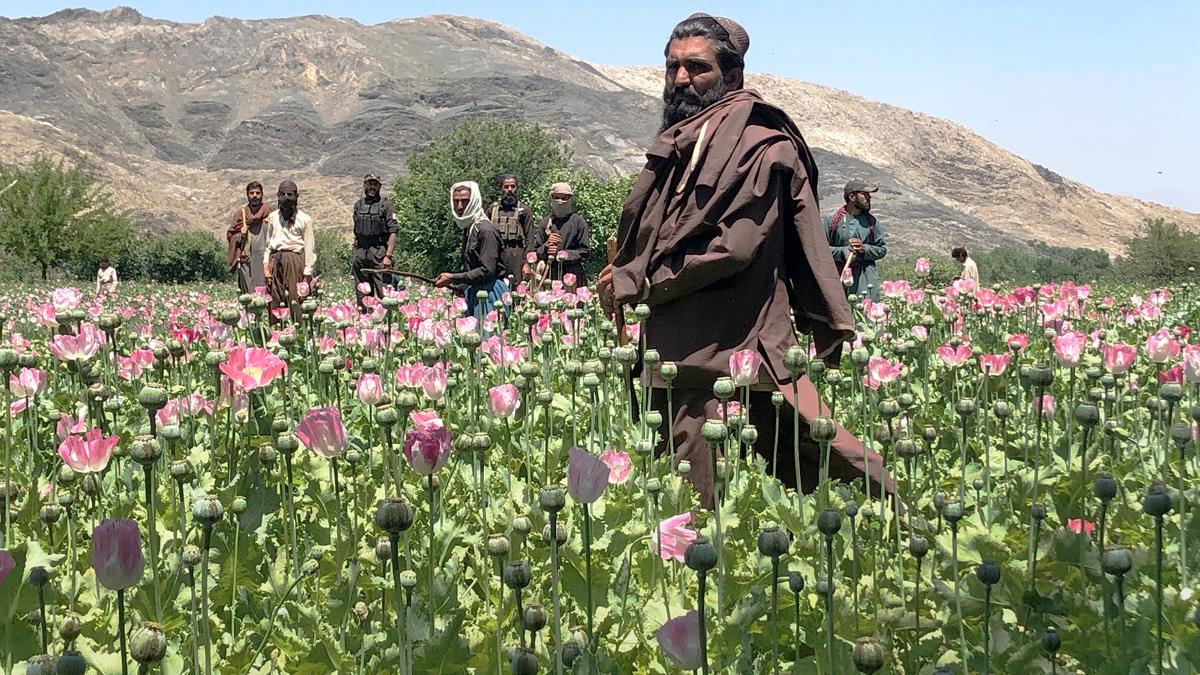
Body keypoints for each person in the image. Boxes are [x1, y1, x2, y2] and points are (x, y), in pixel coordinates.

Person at [597, 12, 893, 508]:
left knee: (780, 464)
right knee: (710, 483)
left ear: (732, 76)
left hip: (731, 340)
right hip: (678, 346)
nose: (680, 79)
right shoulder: (690, 137)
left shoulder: (761, 145)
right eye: (672, 68)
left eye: (697, 68)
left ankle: (896, 525)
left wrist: (645, 283)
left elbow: (732, 249)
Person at [435, 181, 508, 321]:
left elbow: (487, 271)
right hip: (475, 291)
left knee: (489, 339)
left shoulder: (486, 231)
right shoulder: (470, 228)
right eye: (456, 201)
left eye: (465, 201)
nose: (460, 206)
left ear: (474, 201)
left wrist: (453, 278)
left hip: (490, 294)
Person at [262, 180, 315, 322]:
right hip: (275, 259)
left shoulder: (304, 219)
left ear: (296, 197)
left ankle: (299, 332)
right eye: (282, 194)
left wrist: (307, 272)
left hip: (294, 259)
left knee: (295, 298)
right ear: (277, 196)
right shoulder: (273, 217)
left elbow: (310, 247)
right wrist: (266, 264)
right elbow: (268, 244)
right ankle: (275, 332)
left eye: (290, 194)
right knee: (274, 297)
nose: (286, 197)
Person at [827, 179, 887, 301]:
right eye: (865, 194)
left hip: (867, 279)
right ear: (852, 197)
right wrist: (843, 252)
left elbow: (881, 249)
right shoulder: (832, 221)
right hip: (839, 278)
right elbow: (820, 250)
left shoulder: (872, 222)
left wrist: (864, 249)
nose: (869, 198)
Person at [525, 182, 591, 288]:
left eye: (564, 198)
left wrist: (562, 255)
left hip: (571, 276)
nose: (560, 201)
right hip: (548, 276)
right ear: (551, 198)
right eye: (556, 197)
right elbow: (536, 252)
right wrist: (546, 247)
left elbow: (585, 252)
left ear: (570, 199)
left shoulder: (578, 222)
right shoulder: (545, 223)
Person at [351, 173, 399, 310]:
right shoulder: (358, 205)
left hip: (379, 253)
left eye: (375, 184)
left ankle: (389, 323)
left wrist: (388, 256)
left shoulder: (387, 205)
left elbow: (393, 231)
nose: (372, 187)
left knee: (385, 293)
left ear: (379, 186)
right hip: (360, 252)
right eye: (369, 184)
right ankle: (366, 321)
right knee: (363, 295)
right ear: (364, 185)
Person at [485, 174, 534, 284]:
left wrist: (527, 264)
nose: (510, 190)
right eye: (506, 187)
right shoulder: (492, 210)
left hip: (517, 258)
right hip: (496, 257)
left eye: (513, 186)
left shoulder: (525, 211)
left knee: (517, 292)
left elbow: (530, 239)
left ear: (517, 188)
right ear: (501, 189)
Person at [226, 181, 273, 294]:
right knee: (249, 294)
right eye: (252, 193)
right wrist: (240, 235)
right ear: (247, 195)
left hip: (265, 259)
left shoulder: (269, 212)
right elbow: (231, 235)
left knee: (266, 291)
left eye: (257, 193)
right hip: (247, 260)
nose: (255, 196)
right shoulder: (241, 214)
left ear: (262, 194)